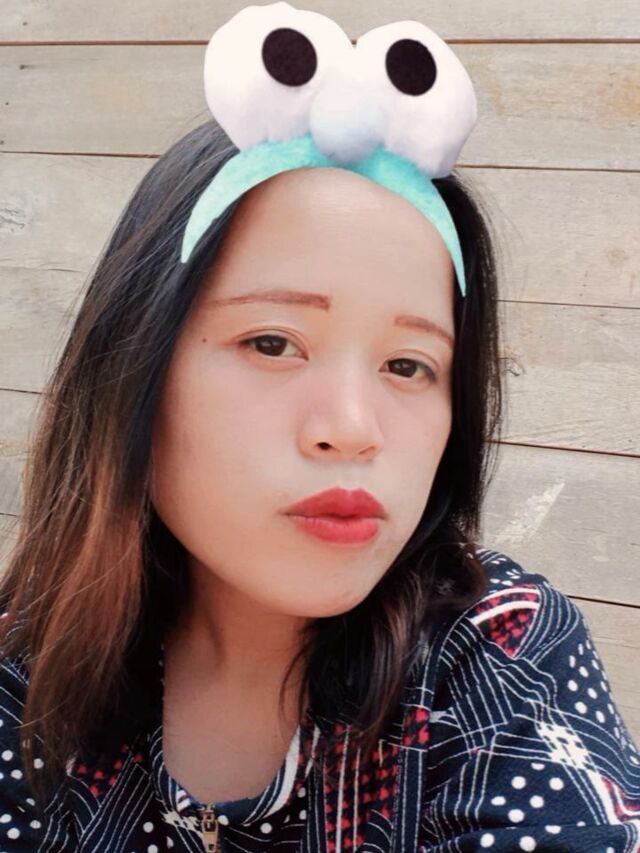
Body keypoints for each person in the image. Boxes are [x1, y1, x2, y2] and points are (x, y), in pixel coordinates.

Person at [1, 5, 639, 852]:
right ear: (133, 369)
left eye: (408, 364)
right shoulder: (27, 673)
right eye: (272, 343)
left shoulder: (502, 650)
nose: (352, 428)